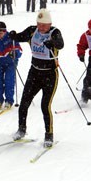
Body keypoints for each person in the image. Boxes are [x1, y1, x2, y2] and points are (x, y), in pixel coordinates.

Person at [8, 9, 64, 147]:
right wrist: (14, 35)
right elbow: (20, 37)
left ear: (50, 23)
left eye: (44, 25)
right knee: (24, 103)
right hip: (34, 73)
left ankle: (49, 135)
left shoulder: (54, 32)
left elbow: (60, 44)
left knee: (45, 106)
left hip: (50, 74)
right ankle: (21, 129)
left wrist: (53, 43)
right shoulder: (33, 31)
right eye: (39, 24)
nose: (41, 27)